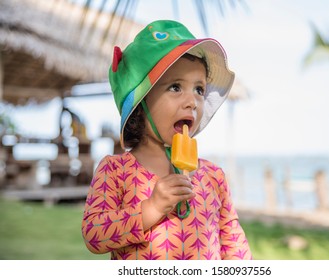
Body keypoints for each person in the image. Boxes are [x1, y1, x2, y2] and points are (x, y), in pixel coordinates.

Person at [81, 20, 252, 260]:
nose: (192, 101)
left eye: (199, 90)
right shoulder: (115, 171)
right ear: (140, 105)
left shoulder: (214, 178)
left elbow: (235, 246)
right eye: (175, 87)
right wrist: (151, 208)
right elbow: (93, 235)